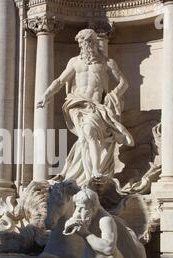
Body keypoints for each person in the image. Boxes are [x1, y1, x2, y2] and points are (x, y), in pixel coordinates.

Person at [37, 29, 134, 186]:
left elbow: (124, 83)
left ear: (94, 42)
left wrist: (112, 95)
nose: (84, 45)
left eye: (88, 42)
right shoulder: (75, 62)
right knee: (88, 134)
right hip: (77, 104)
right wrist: (45, 96)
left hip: (96, 106)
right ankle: (94, 171)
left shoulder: (107, 62)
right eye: (82, 43)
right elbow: (60, 81)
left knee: (84, 138)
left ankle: (74, 172)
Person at [64, 187, 147, 258]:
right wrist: (68, 227)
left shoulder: (105, 220)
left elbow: (108, 248)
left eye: (82, 208)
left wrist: (85, 234)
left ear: (93, 207)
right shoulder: (84, 215)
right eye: (76, 207)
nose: (77, 212)